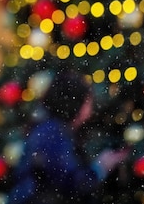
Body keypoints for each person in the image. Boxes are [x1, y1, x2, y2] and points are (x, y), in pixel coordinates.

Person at [8, 69, 128, 204]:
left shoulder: (53, 129)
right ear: (75, 103)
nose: (90, 109)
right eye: (87, 101)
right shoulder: (53, 133)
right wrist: (100, 167)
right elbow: (68, 183)